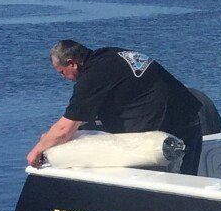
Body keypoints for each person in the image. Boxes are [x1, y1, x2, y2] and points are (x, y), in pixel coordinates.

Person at [27, 39, 206, 173]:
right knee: (186, 185)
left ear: (72, 63)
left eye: (62, 72)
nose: (63, 77)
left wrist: (38, 150)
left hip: (163, 134)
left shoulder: (92, 77)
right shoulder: (110, 55)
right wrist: (50, 137)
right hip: (190, 120)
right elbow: (83, 116)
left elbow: (65, 128)